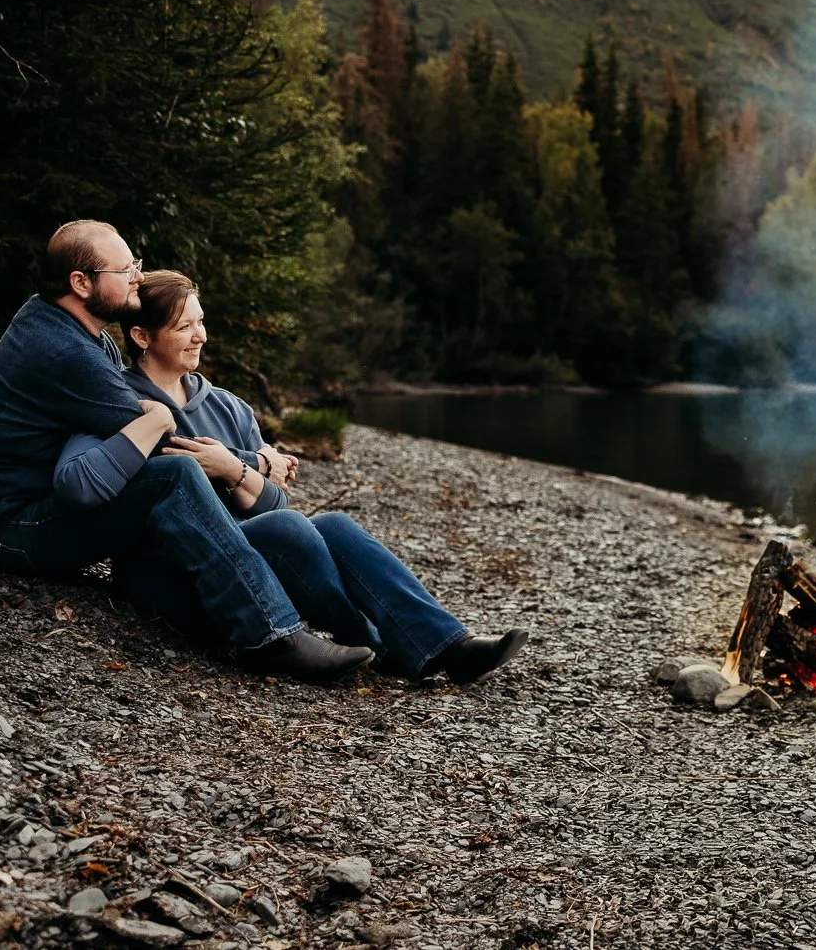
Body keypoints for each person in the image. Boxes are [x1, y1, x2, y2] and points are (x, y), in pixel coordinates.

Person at [0, 220, 372, 682]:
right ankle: (270, 636)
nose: (137, 276)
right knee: (175, 477)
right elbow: (168, 448)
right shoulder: (65, 351)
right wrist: (256, 464)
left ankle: (326, 629)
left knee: (193, 486)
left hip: (32, 510)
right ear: (81, 282)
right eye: (125, 268)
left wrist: (232, 461)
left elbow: (140, 438)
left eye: (137, 265)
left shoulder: (63, 326)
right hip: (3, 528)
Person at [74, 269, 527, 684]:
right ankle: (378, 640)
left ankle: (450, 644)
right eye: (184, 327)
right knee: (291, 527)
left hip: (253, 564)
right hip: (178, 572)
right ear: (141, 335)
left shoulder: (228, 406)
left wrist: (233, 468)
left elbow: (275, 502)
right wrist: (253, 468)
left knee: (333, 525)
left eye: (201, 322)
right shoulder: (123, 402)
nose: (200, 337)